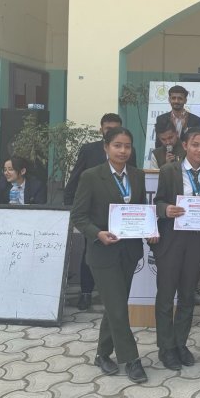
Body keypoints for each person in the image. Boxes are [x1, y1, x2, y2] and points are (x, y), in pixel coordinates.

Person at [70, 126, 151, 384]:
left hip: (129, 252)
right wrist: (97, 233)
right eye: (117, 145)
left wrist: (149, 229)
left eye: (127, 146)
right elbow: (78, 216)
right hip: (102, 252)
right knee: (117, 308)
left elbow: (140, 210)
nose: (122, 151)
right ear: (106, 147)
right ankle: (132, 359)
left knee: (115, 305)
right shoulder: (91, 176)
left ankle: (102, 354)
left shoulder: (137, 176)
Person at [151, 127, 200, 371]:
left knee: (187, 295)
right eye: (195, 145)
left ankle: (180, 343)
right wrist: (166, 209)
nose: (199, 150)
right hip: (172, 241)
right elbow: (158, 202)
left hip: (198, 242)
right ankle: (166, 347)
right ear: (184, 145)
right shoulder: (169, 171)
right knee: (165, 296)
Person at [64, 113, 137, 311]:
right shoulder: (89, 152)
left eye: (127, 146)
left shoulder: (131, 162)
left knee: (117, 299)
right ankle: (86, 292)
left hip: (125, 229)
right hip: (96, 221)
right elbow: (76, 177)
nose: (122, 150)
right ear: (102, 133)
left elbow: (134, 188)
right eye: (109, 129)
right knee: (89, 254)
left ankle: (108, 328)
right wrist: (70, 202)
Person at [153, 86, 200, 307]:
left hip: (188, 165)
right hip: (169, 169)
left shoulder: (194, 120)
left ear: (185, 99)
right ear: (169, 99)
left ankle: (191, 288)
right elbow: (158, 145)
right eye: (173, 98)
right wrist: (166, 161)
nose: (176, 101)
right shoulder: (162, 119)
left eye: (180, 98)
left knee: (191, 265)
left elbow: (196, 143)